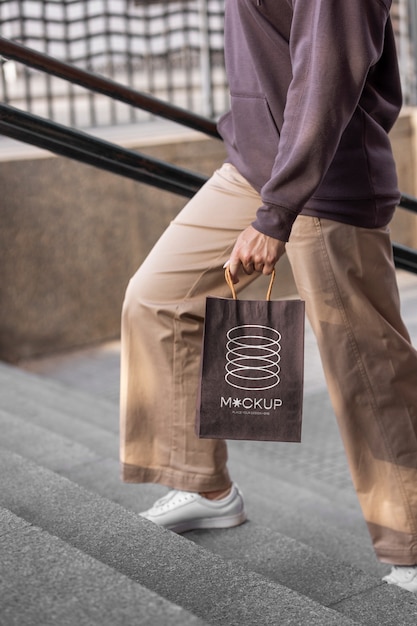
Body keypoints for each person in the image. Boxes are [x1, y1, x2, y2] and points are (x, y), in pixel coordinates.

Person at [120, 0, 417, 592]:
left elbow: (327, 76)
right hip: (256, 166)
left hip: (325, 179)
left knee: (365, 364)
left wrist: (277, 212)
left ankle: (411, 541)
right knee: (158, 297)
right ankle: (205, 486)